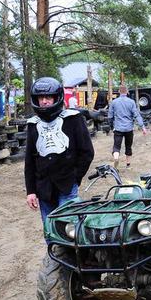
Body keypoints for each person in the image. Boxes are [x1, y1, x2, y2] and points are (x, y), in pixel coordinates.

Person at [25, 77, 94, 222]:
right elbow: (30, 161)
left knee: (69, 226)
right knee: (50, 228)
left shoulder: (73, 119)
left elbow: (87, 152)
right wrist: (31, 191)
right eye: (40, 98)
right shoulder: (33, 125)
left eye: (48, 97)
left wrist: (75, 177)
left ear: (57, 97)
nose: (44, 101)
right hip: (44, 188)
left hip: (67, 185)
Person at [108, 86, 147, 169]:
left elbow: (110, 117)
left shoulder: (114, 102)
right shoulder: (131, 102)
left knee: (116, 146)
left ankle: (116, 158)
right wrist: (142, 126)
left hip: (118, 128)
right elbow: (136, 115)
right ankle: (128, 165)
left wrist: (111, 127)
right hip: (129, 128)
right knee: (128, 146)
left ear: (119, 92)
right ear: (127, 92)